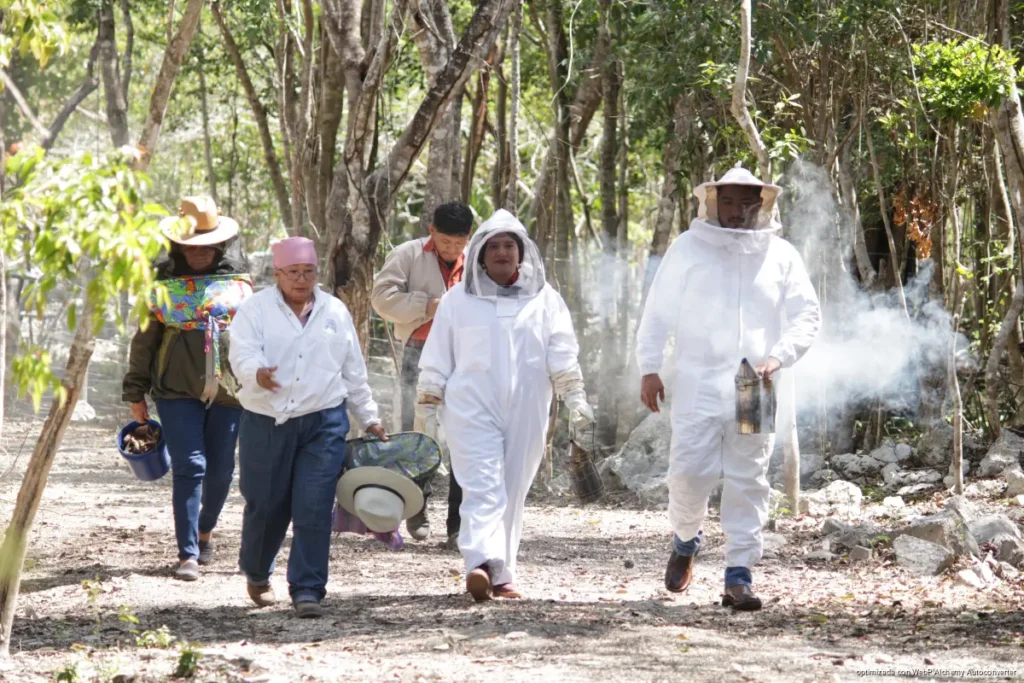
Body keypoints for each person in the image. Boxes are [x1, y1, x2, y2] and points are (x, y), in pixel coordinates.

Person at [636, 165, 821, 611]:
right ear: (713, 203)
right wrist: (649, 367)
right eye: (730, 202)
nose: (738, 211)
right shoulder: (688, 247)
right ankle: (685, 540)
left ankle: (739, 574)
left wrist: (780, 356)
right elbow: (658, 310)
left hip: (754, 381)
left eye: (747, 202)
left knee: (748, 478)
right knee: (689, 473)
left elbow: (807, 315)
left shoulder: (780, 254)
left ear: (762, 205)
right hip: (697, 378)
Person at [416, 209, 594, 602]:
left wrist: (575, 395)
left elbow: (561, 353)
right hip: (470, 406)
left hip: (528, 407)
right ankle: (480, 563)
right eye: (493, 246)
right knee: (482, 485)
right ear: (480, 253)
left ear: (521, 251)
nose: (501, 252)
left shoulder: (546, 300)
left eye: (508, 245)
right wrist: (428, 403)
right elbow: (437, 356)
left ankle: (501, 574)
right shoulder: (457, 301)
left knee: (512, 490)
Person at [228, 236, 388, 618]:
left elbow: (352, 370)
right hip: (267, 420)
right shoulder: (254, 309)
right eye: (293, 272)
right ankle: (257, 572)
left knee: (313, 506)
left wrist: (369, 416)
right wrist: (257, 373)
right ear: (277, 274)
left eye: (308, 272)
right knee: (266, 504)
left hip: (323, 421)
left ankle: (307, 589)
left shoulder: (335, 311)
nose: (301, 280)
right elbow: (242, 353)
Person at [122, 196, 252, 581]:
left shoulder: (240, 285)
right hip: (175, 390)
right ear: (177, 247)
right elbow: (144, 342)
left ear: (220, 245)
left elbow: (256, 338)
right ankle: (188, 554)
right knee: (191, 466)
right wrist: (135, 393)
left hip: (229, 391)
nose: (199, 253)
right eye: (191, 247)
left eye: (207, 246)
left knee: (222, 470)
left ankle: (205, 530)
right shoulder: (161, 287)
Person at [371, 201, 474, 544]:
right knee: (417, 433)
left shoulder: (477, 258)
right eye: (445, 242)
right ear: (432, 232)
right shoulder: (408, 254)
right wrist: (427, 307)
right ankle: (417, 507)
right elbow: (381, 298)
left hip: (465, 356)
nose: (453, 249)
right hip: (419, 350)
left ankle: (458, 522)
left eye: (459, 243)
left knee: (464, 434)